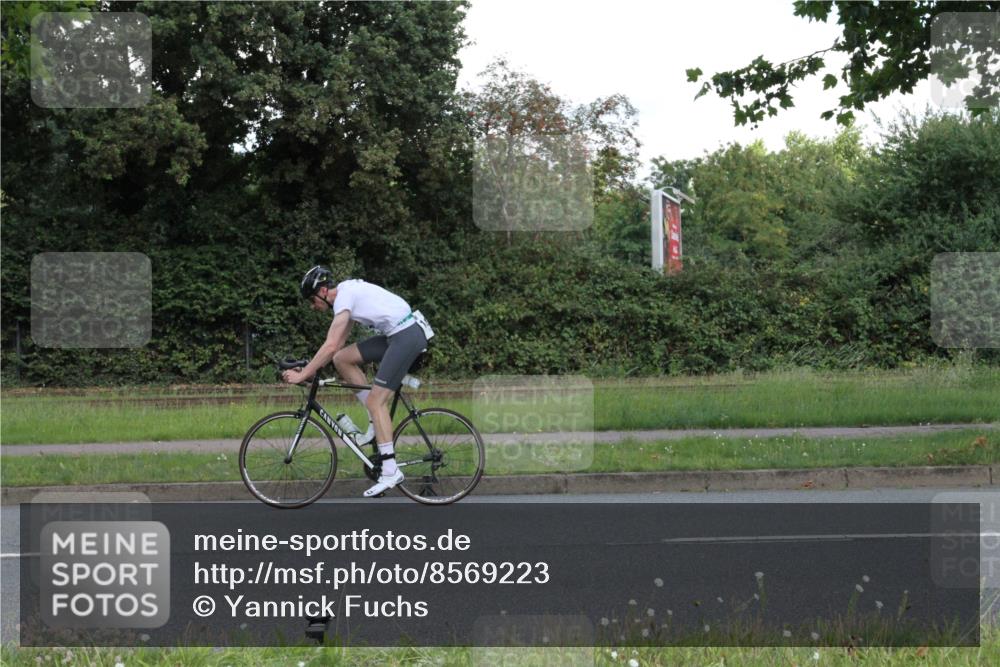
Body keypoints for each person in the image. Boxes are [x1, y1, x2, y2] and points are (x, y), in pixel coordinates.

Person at [282, 265, 433, 497]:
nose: (313, 307)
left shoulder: (345, 298)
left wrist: (302, 375)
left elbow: (330, 343)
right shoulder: (347, 298)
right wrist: (310, 369)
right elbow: (336, 348)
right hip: (396, 334)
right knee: (342, 359)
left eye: (312, 301)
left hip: (406, 336)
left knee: (376, 402)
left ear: (322, 292)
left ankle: (391, 471)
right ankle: (375, 422)